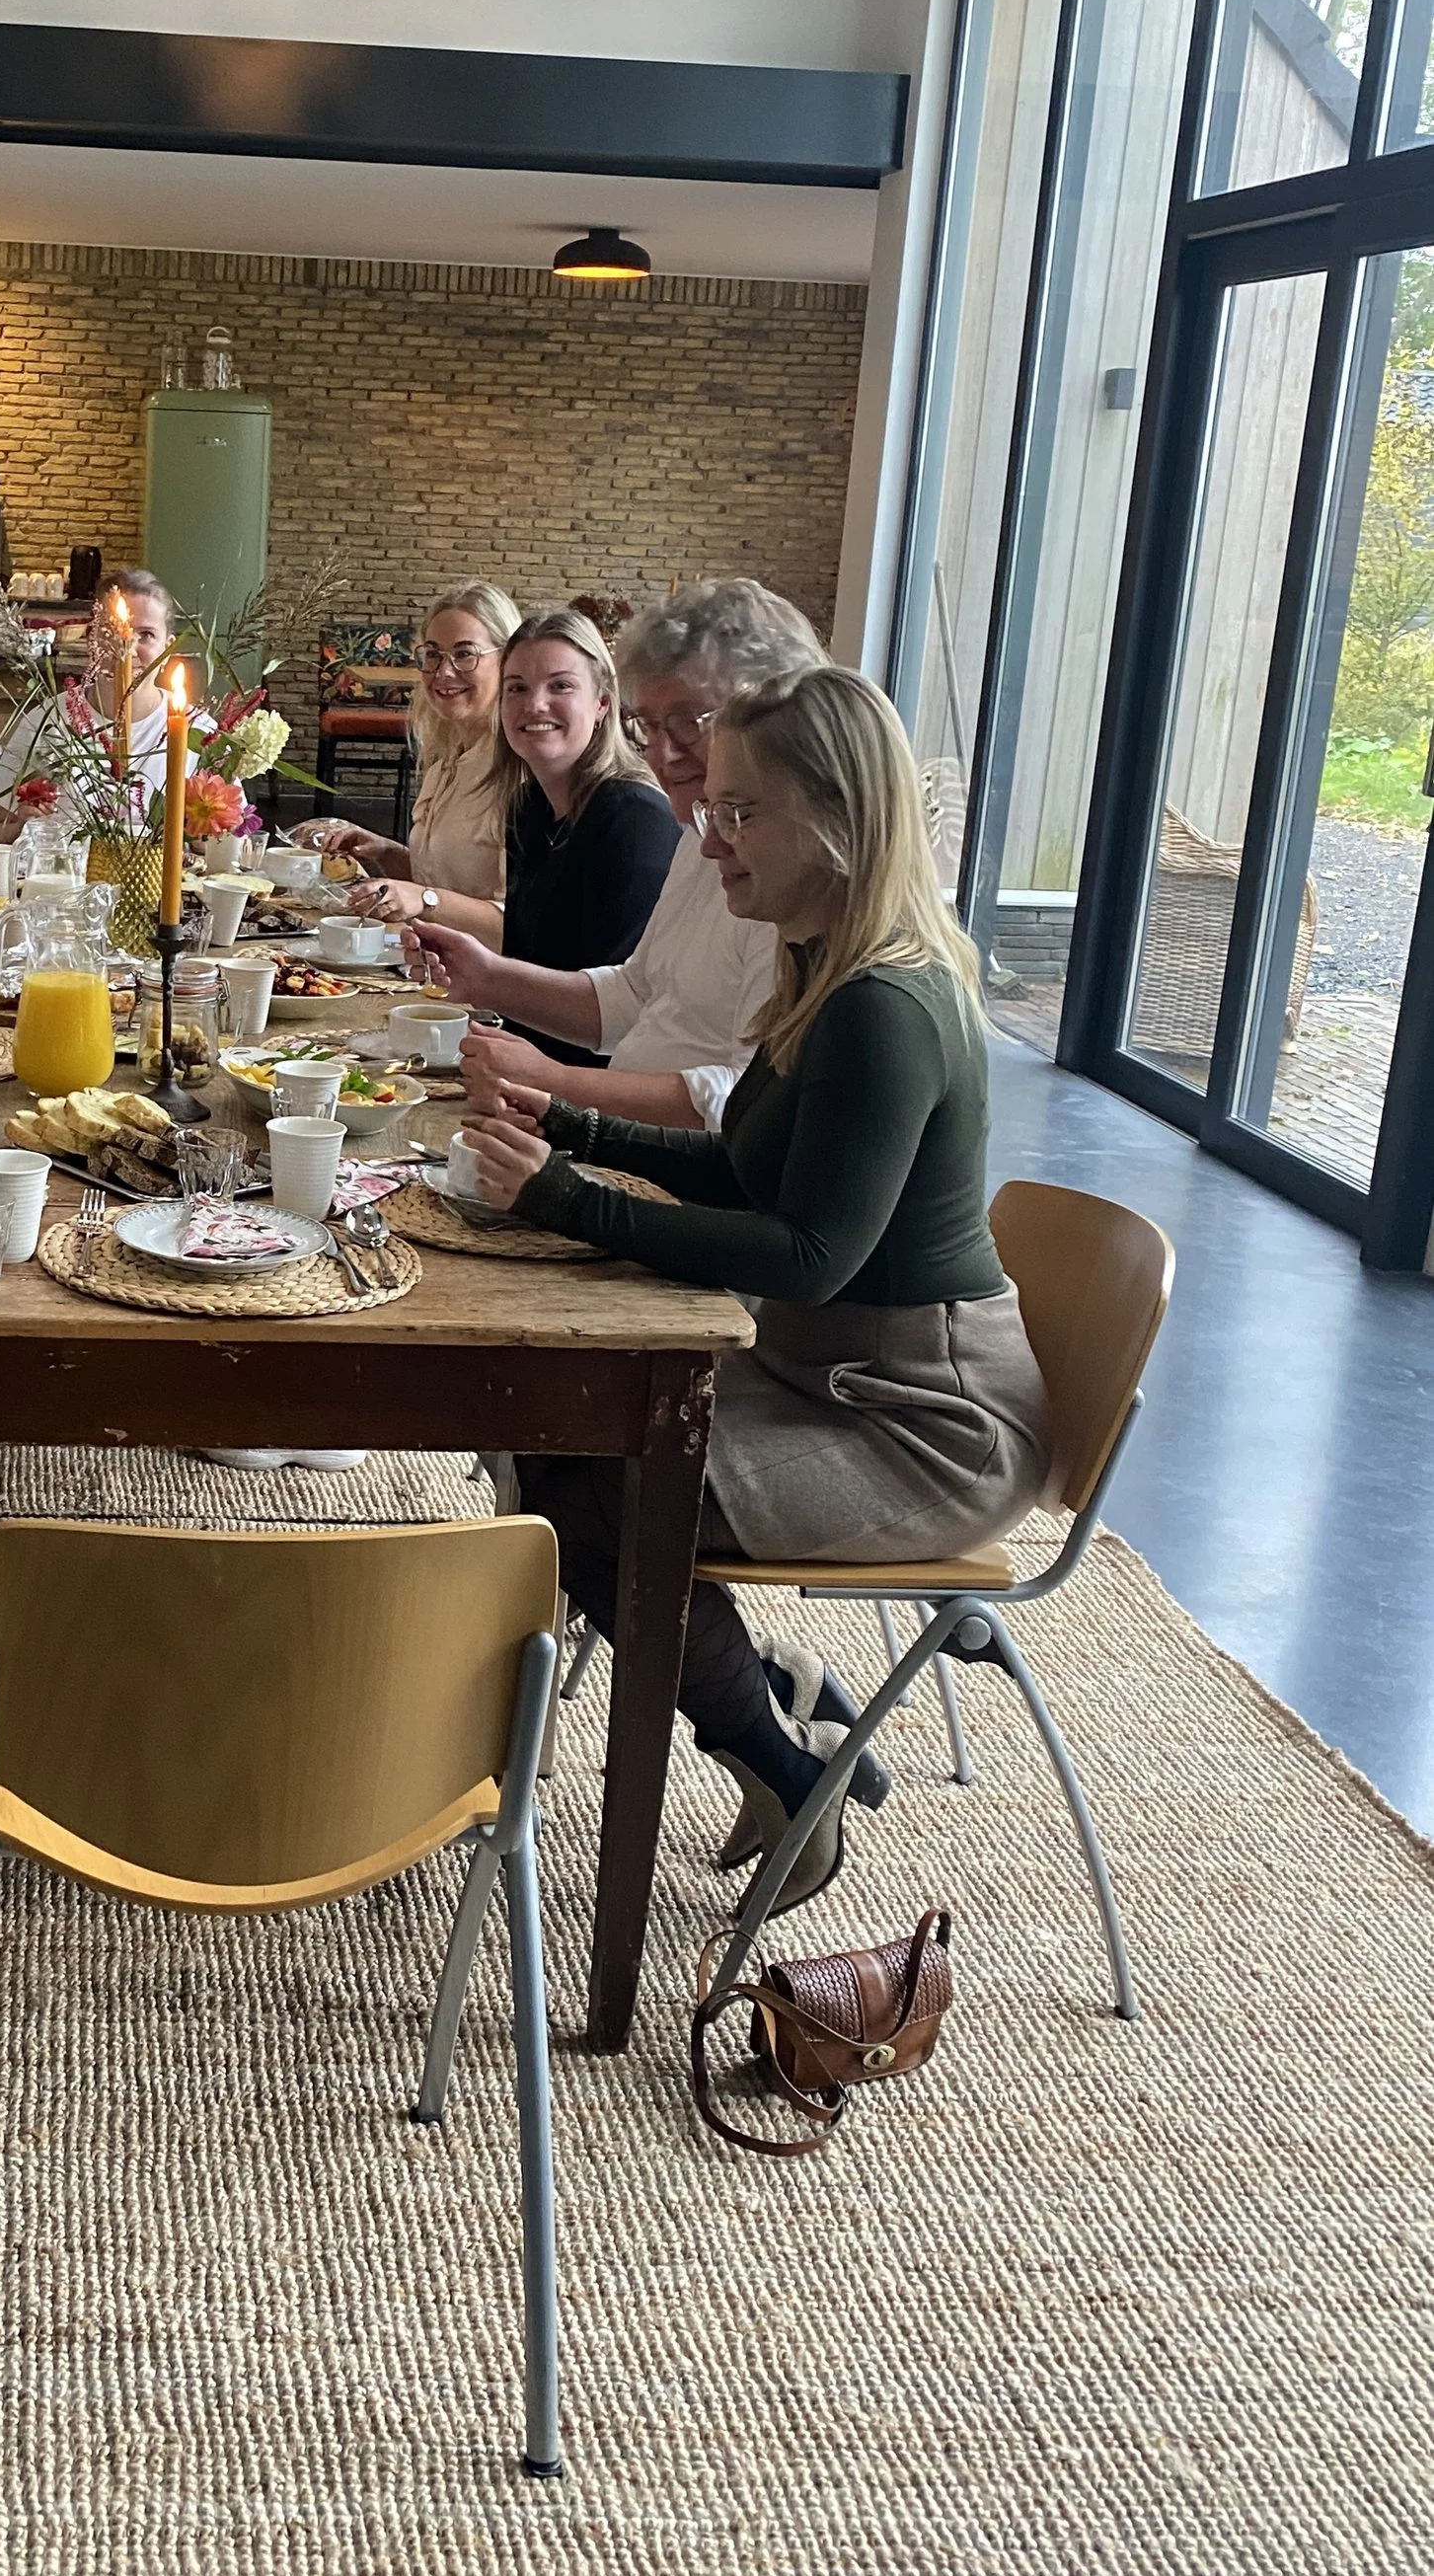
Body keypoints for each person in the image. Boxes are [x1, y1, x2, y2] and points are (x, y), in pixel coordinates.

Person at [460, 664, 1052, 1911]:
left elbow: (807, 1253)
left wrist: (571, 1201)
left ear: (835, 821)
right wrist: (569, 1126)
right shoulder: (825, 961)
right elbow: (743, 1162)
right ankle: (770, 1702)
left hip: (916, 1418)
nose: (707, 833)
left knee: (598, 1484)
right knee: (558, 1432)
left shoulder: (882, 1005)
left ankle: (781, 1766)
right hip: (823, 1367)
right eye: (709, 806)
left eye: (740, 812)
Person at [411, 577, 824, 1128]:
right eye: (650, 725)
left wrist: (553, 1085)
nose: (662, 752)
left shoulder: (789, 880)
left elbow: (746, 1101)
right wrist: (484, 976)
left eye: (688, 723)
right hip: (612, 1138)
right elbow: (635, 994)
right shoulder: (699, 834)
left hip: (654, 1162)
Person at [423, 604, 675, 1062]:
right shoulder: (528, 807)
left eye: (560, 686)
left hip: (594, 1092)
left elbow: (624, 1014)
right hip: (522, 1064)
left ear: (602, 703)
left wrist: (487, 977)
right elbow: (526, 967)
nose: (534, 704)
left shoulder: (634, 821)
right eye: (516, 688)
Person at [292, 580, 518, 930]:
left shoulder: (518, 773)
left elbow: (520, 923)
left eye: (464, 654)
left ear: (506, 661)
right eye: (433, 654)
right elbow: (444, 882)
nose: (443, 672)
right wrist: (385, 852)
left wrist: (424, 900)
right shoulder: (447, 761)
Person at [0, 569, 178, 829]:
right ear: (91, 639)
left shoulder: (197, 729)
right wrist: (20, 828)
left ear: (168, 647)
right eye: (112, 632)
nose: (127, 649)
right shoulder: (47, 721)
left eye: (146, 635)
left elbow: (232, 841)